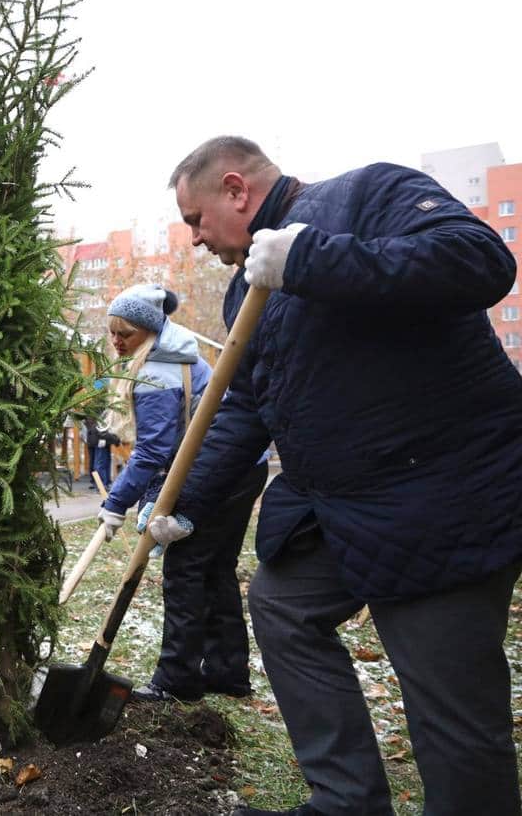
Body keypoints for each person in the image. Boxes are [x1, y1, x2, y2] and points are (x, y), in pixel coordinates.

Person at [152, 136, 522, 815]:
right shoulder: (247, 294)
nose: (197, 241)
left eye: (196, 220)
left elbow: (480, 262)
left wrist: (310, 259)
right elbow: (246, 407)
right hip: (345, 507)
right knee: (283, 604)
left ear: (236, 190)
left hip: (443, 501)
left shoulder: (368, 195)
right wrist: (183, 503)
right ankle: (346, 800)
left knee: (448, 705)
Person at [94, 285, 267, 702]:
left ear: (149, 333)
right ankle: (227, 671)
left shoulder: (156, 371)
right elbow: (171, 446)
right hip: (244, 465)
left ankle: (178, 678)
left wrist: (116, 503)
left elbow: (153, 451)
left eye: (126, 334)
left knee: (186, 568)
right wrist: (150, 494)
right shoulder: (177, 352)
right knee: (215, 567)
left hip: (220, 469)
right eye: (112, 332)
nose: (117, 341)